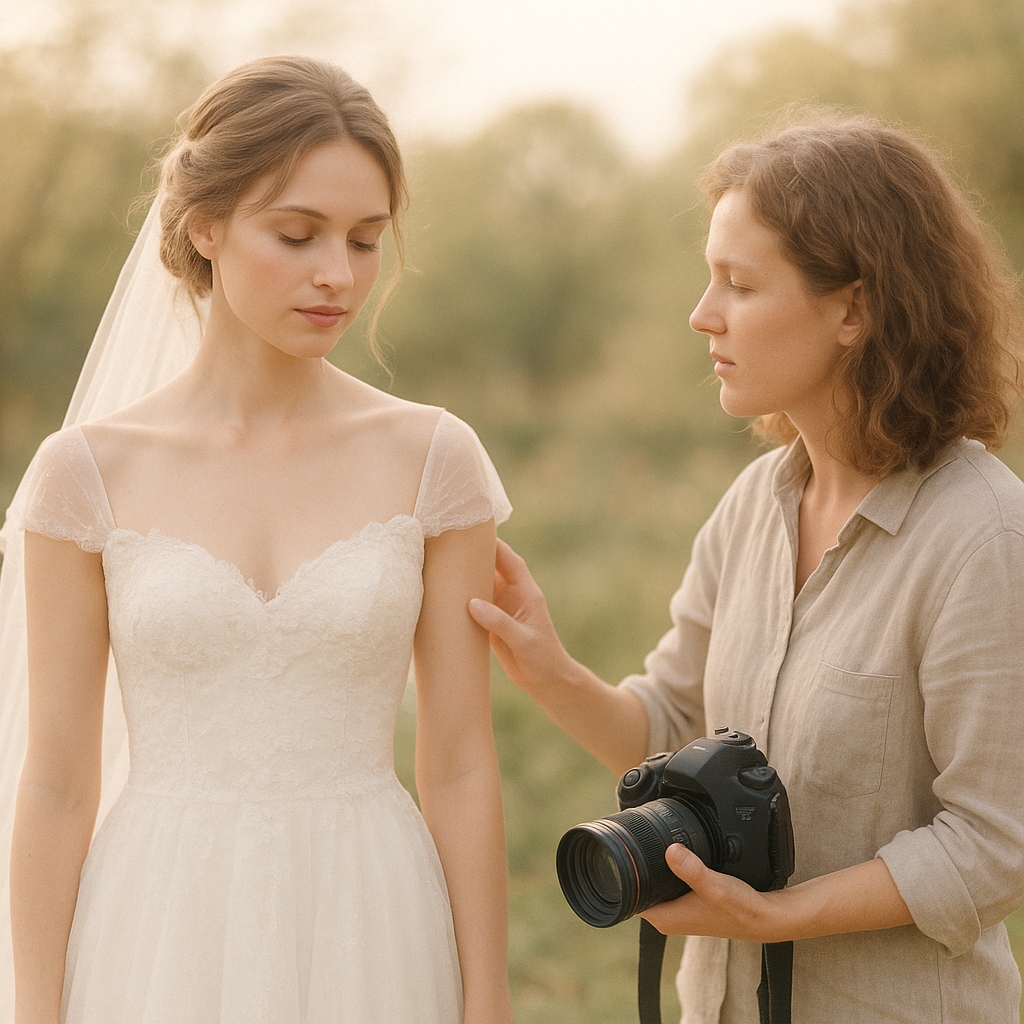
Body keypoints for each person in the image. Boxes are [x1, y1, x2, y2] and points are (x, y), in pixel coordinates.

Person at [469, 114, 1024, 1023]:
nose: (702, 313)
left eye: (739, 283)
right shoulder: (755, 503)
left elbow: (994, 845)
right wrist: (547, 666)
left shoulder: (983, 535)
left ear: (856, 308)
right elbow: (670, 727)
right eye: (708, 277)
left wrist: (776, 918)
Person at [1, 56, 513, 1024]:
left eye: (366, 241)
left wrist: (485, 1001)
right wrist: (35, 1010)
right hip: (157, 917)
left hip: (372, 910)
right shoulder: (84, 472)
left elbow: (457, 762)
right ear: (206, 225)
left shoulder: (432, 456)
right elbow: (58, 783)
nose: (338, 273)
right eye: (297, 233)